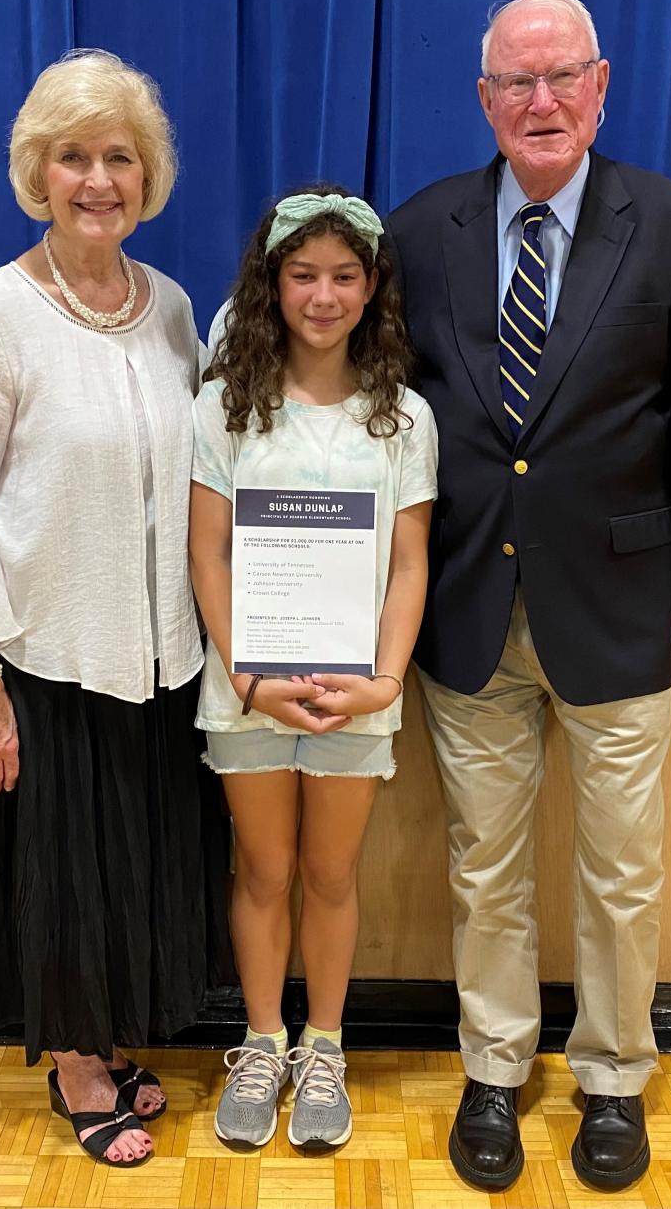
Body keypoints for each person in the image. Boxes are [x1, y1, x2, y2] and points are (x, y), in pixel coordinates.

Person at [385, 0, 671, 1193]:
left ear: (601, 87)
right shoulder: (421, 226)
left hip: (629, 609)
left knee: (621, 868)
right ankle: (495, 1066)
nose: (539, 103)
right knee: (485, 863)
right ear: (484, 100)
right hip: (466, 611)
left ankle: (610, 1081)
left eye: (560, 79)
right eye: (514, 84)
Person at [0, 49, 227, 1168]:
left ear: (150, 176)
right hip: (40, 658)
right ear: (37, 174)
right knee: (67, 872)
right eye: (74, 158)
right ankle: (78, 1067)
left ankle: (115, 1033)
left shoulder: (172, 308)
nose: (99, 179)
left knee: (134, 864)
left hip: (158, 653)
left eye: (120, 158)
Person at [189, 185, 438, 1150]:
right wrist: (251, 680)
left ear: (372, 288)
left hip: (355, 694)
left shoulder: (404, 417)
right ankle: (261, 1043)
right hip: (247, 688)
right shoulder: (224, 406)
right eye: (303, 275)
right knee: (263, 868)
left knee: (331, 874)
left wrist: (382, 678)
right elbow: (207, 552)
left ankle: (324, 1046)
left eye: (343, 276)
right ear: (273, 284)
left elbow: (410, 560)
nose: (323, 295)